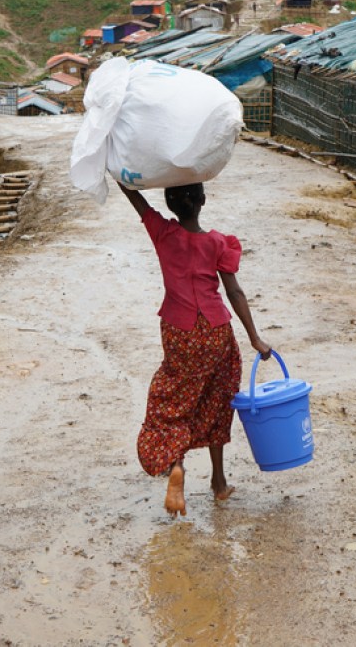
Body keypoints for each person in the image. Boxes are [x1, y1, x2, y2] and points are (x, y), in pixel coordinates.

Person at [117, 180, 272, 518]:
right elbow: (235, 292)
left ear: (170, 204)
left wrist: (119, 175)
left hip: (179, 332)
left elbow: (138, 202)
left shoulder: (163, 235)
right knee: (218, 398)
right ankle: (218, 482)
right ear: (203, 200)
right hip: (216, 332)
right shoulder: (217, 243)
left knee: (172, 400)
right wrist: (255, 338)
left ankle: (176, 464)